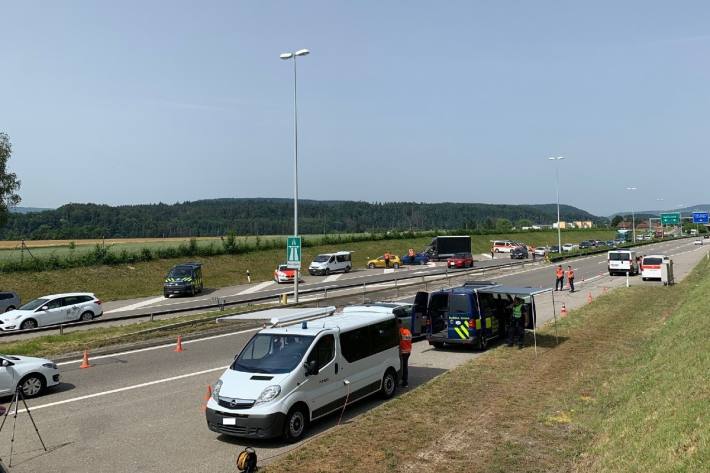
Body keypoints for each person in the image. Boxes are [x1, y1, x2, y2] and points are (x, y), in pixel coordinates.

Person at [398, 318, 412, 387]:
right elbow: (410, 340)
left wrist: (400, 351)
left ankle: (404, 382)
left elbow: (400, 342)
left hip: (403, 352)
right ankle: (404, 380)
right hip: (408, 351)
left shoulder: (400, 332)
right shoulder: (408, 331)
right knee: (405, 366)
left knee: (403, 367)